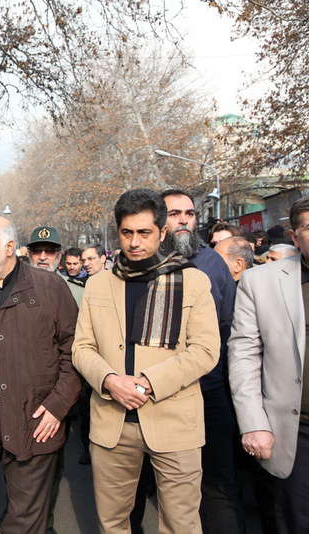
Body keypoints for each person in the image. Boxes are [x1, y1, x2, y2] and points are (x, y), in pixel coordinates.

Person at [73, 188, 220, 534]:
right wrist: (110, 380)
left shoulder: (193, 281)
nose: (135, 242)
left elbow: (205, 350)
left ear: (162, 231)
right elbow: (81, 348)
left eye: (144, 233)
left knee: (181, 524)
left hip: (175, 423)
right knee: (113, 524)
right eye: (127, 233)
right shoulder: (97, 285)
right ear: (118, 232)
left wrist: (146, 383)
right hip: (112, 423)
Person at [0, 216, 81, 533]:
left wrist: (58, 407)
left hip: (35, 412)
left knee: (25, 513)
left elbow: (76, 350)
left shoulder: (50, 288)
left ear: (9, 248)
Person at [157, 189, 243, 533]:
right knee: (170, 492)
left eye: (189, 214)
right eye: (174, 213)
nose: (183, 220)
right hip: (160, 398)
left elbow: (231, 329)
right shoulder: (143, 264)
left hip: (210, 394)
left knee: (220, 486)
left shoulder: (213, 264)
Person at [228, 196, 309, 533]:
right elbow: (244, 355)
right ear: (295, 235)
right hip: (296, 433)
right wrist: (253, 423)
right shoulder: (261, 282)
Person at [28, 226, 85, 305]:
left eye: (50, 251)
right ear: (29, 255)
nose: (42, 257)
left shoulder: (76, 291)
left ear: (59, 256)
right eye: (36, 251)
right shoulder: (17, 288)